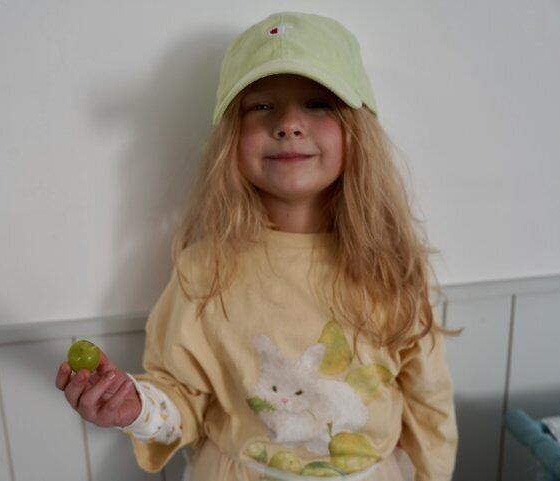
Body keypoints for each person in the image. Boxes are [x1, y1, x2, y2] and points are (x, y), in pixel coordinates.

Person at [54, 10, 463, 481]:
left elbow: (429, 407)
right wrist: (136, 408)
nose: (289, 124)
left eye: (318, 104)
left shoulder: (390, 269)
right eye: (263, 106)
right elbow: (181, 397)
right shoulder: (205, 270)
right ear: (231, 137)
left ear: (357, 130)